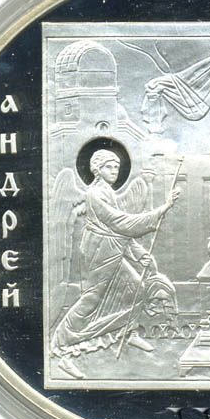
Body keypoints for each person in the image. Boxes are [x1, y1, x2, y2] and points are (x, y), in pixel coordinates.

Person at [51, 149, 180, 378]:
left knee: (137, 287)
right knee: (91, 300)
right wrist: (163, 208)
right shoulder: (94, 194)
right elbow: (119, 223)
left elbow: (117, 231)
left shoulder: (108, 192)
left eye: (117, 167)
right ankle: (63, 350)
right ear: (97, 170)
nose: (114, 171)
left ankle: (129, 332)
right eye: (109, 167)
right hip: (98, 252)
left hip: (113, 247)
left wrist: (138, 254)